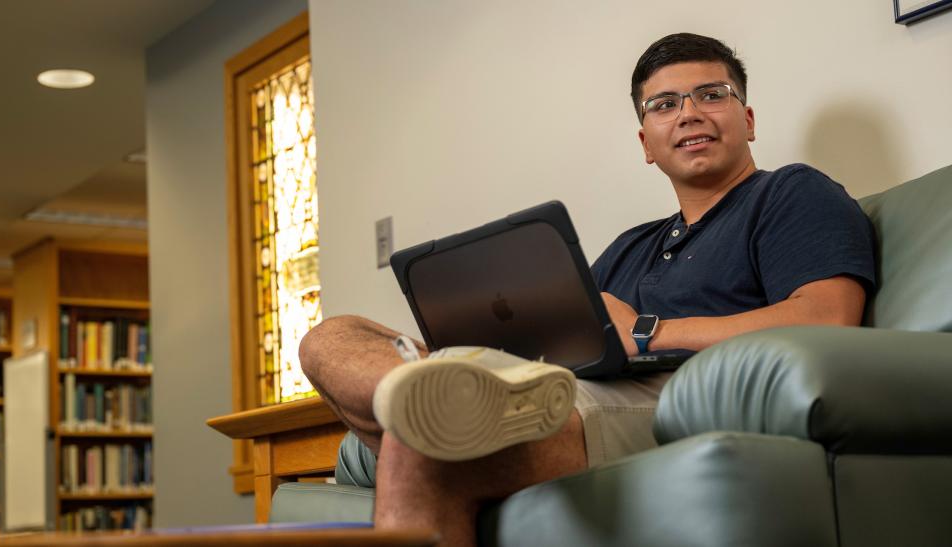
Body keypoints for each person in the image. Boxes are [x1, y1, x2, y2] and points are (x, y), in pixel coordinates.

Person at [298, 32, 876, 546]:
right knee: (330, 336)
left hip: (673, 393)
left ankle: (437, 404)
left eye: (712, 94)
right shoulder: (632, 244)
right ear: (646, 142)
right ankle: (437, 392)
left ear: (747, 119)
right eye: (665, 104)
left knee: (421, 447)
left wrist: (648, 332)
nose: (690, 113)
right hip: (560, 387)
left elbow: (826, 319)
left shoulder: (791, 193)